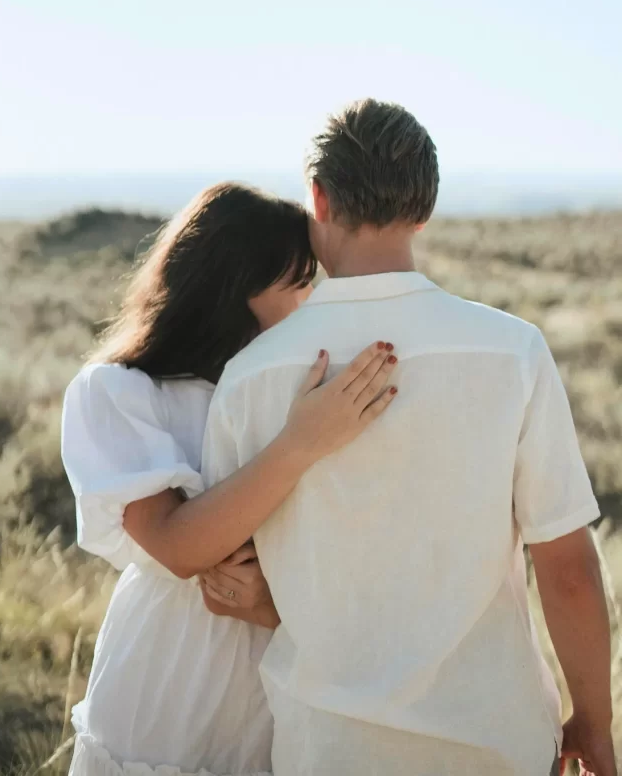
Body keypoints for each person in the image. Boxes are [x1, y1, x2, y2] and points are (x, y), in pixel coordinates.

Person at [202, 100, 615, 776]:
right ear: (425, 207)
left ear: (319, 198)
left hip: (327, 749)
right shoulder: (512, 352)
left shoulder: (251, 376)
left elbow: (232, 580)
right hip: (498, 740)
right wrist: (594, 723)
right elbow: (567, 571)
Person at [61, 181, 399, 776]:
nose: (310, 303)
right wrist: (301, 443)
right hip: (169, 677)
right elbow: (178, 545)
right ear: (235, 283)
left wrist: (273, 601)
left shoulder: (285, 393)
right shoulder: (120, 392)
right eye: (296, 284)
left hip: (279, 670)